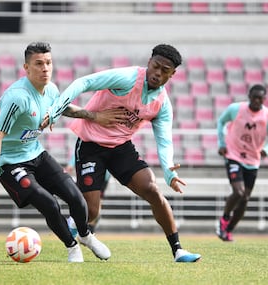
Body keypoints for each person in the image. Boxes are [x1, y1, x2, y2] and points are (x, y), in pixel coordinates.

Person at [42, 44, 201, 262]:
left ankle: (178, 250)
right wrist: (55, 111)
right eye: (156, 66)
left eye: (165, 70)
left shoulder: (161, 104)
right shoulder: (127, 78)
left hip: (120, 148)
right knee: (92, 211)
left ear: (172, 74)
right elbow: (84, 82)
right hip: (91, 145)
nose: (158, 73)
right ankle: (71, 227)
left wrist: (169, 170)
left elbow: (164, 139)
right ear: (149, 62)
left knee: (152, 189)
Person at [0, 41, 112, 263]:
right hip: (9, 163)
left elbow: (61, 107)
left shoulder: (51, 89)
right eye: (38, 64)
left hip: (36, 154)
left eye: (48, 63)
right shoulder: (16, 97)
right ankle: (72, 247)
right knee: (50, 203)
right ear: (26, 67)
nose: (45, 68)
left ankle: (86, 236)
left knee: (77, 198)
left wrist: (93, 116)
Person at [216, 84, 268, 242]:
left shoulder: (266, 116)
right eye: (254, 97)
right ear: (249, 96)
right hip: (234, 154)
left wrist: (266, 148)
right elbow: (221, 122)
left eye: (260, 98)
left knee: (245, 198)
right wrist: (222, 144)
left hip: (252, 160)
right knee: (238, 192)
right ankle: (224, 219)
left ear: (264, 99)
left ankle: (228, 230)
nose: (257, 101)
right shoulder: (236, 109)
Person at [65, 152, 111, 234]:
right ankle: (81, 225)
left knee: (96, 203)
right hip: (90, 172)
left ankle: (89, 228)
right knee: (86, 201)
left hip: (102, 177)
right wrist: (70, 166)